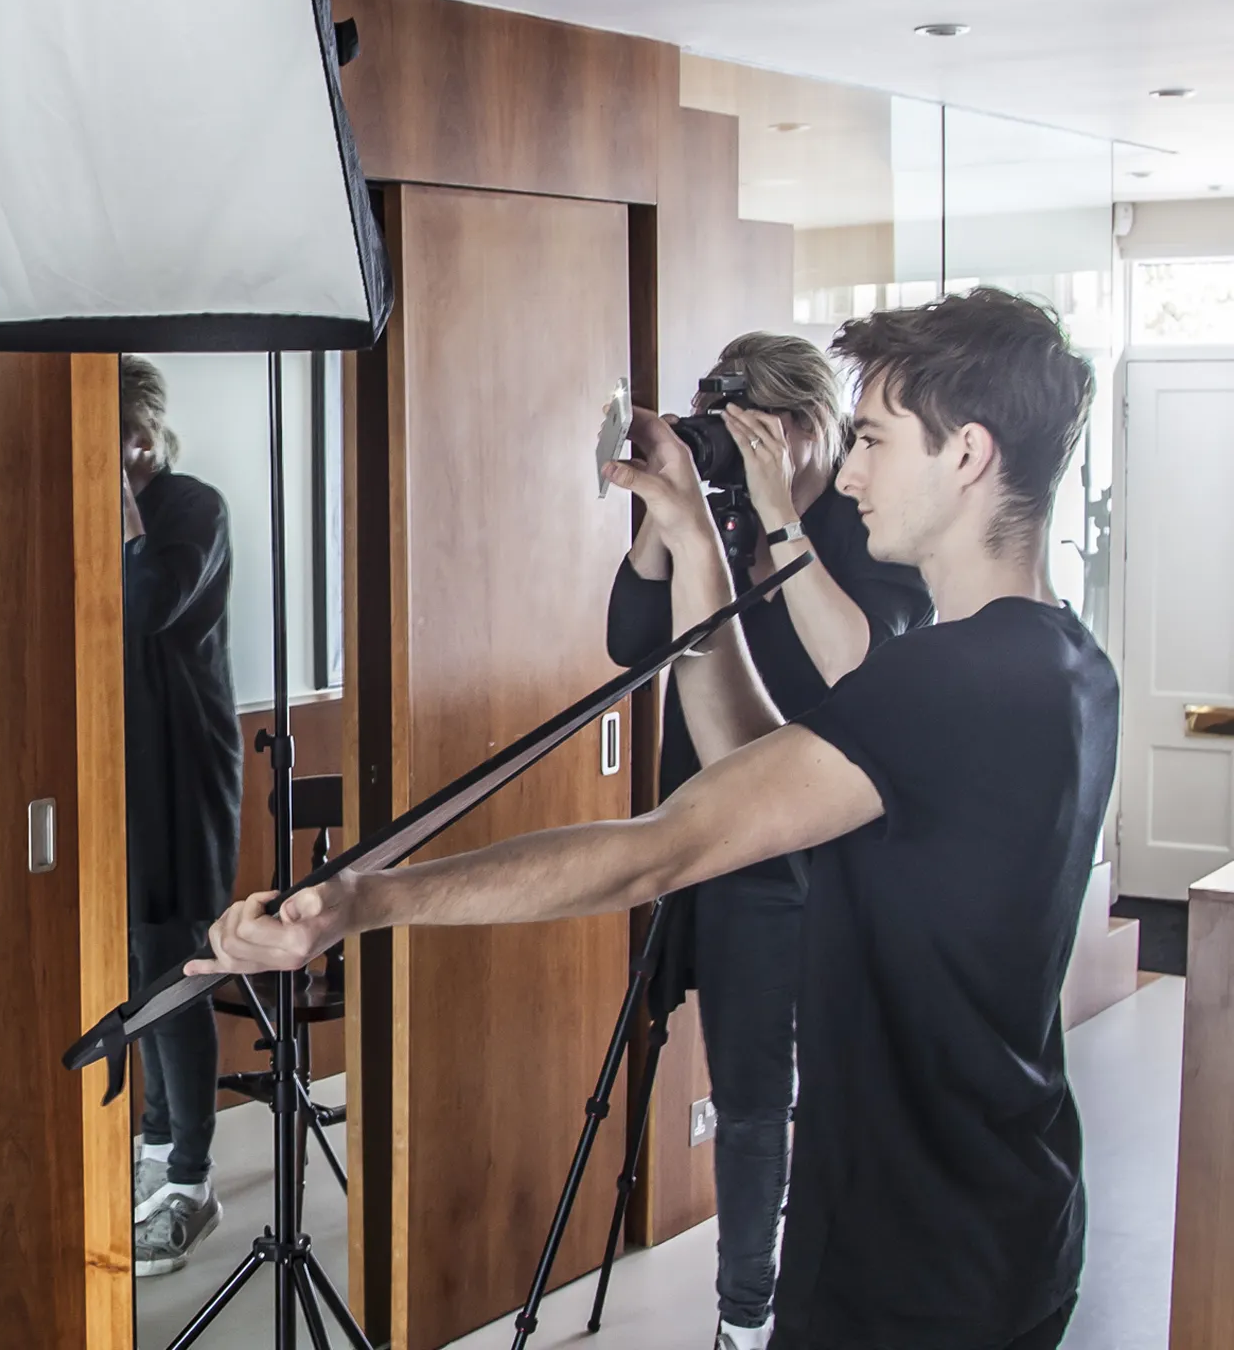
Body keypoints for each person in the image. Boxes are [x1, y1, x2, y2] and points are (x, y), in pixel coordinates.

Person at [191, 289, 1113, 1350]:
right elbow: (742, 763)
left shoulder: (949, 684)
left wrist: (364, 899)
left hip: (915, 1260)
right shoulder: (1059, 661)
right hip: (999, 1217)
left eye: (869, 439)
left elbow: (660, 847)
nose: (847, 472)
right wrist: (685, 535)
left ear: (966, 456)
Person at [607, 334, 931, 1350]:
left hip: (812, 855)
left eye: (751, 434)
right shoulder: (725, 519)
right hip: (713, 839)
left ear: (802, 429)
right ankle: (741, 1313)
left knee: (792, 1095)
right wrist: (670, 517)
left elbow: (861, 675)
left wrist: (782, 519)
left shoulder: (857, 528)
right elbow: (630, 645)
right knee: (743, 1090)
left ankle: (761, 1310)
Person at [119, 355, 246, 1277]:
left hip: (184, 765)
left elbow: (145, 603)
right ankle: (160, 1150)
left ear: (145, 437)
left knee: (179, 954)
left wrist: (119, 494)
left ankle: (193, 1181)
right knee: (135, 956)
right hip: (119, 764)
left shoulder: (191, 507)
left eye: (122, 439)